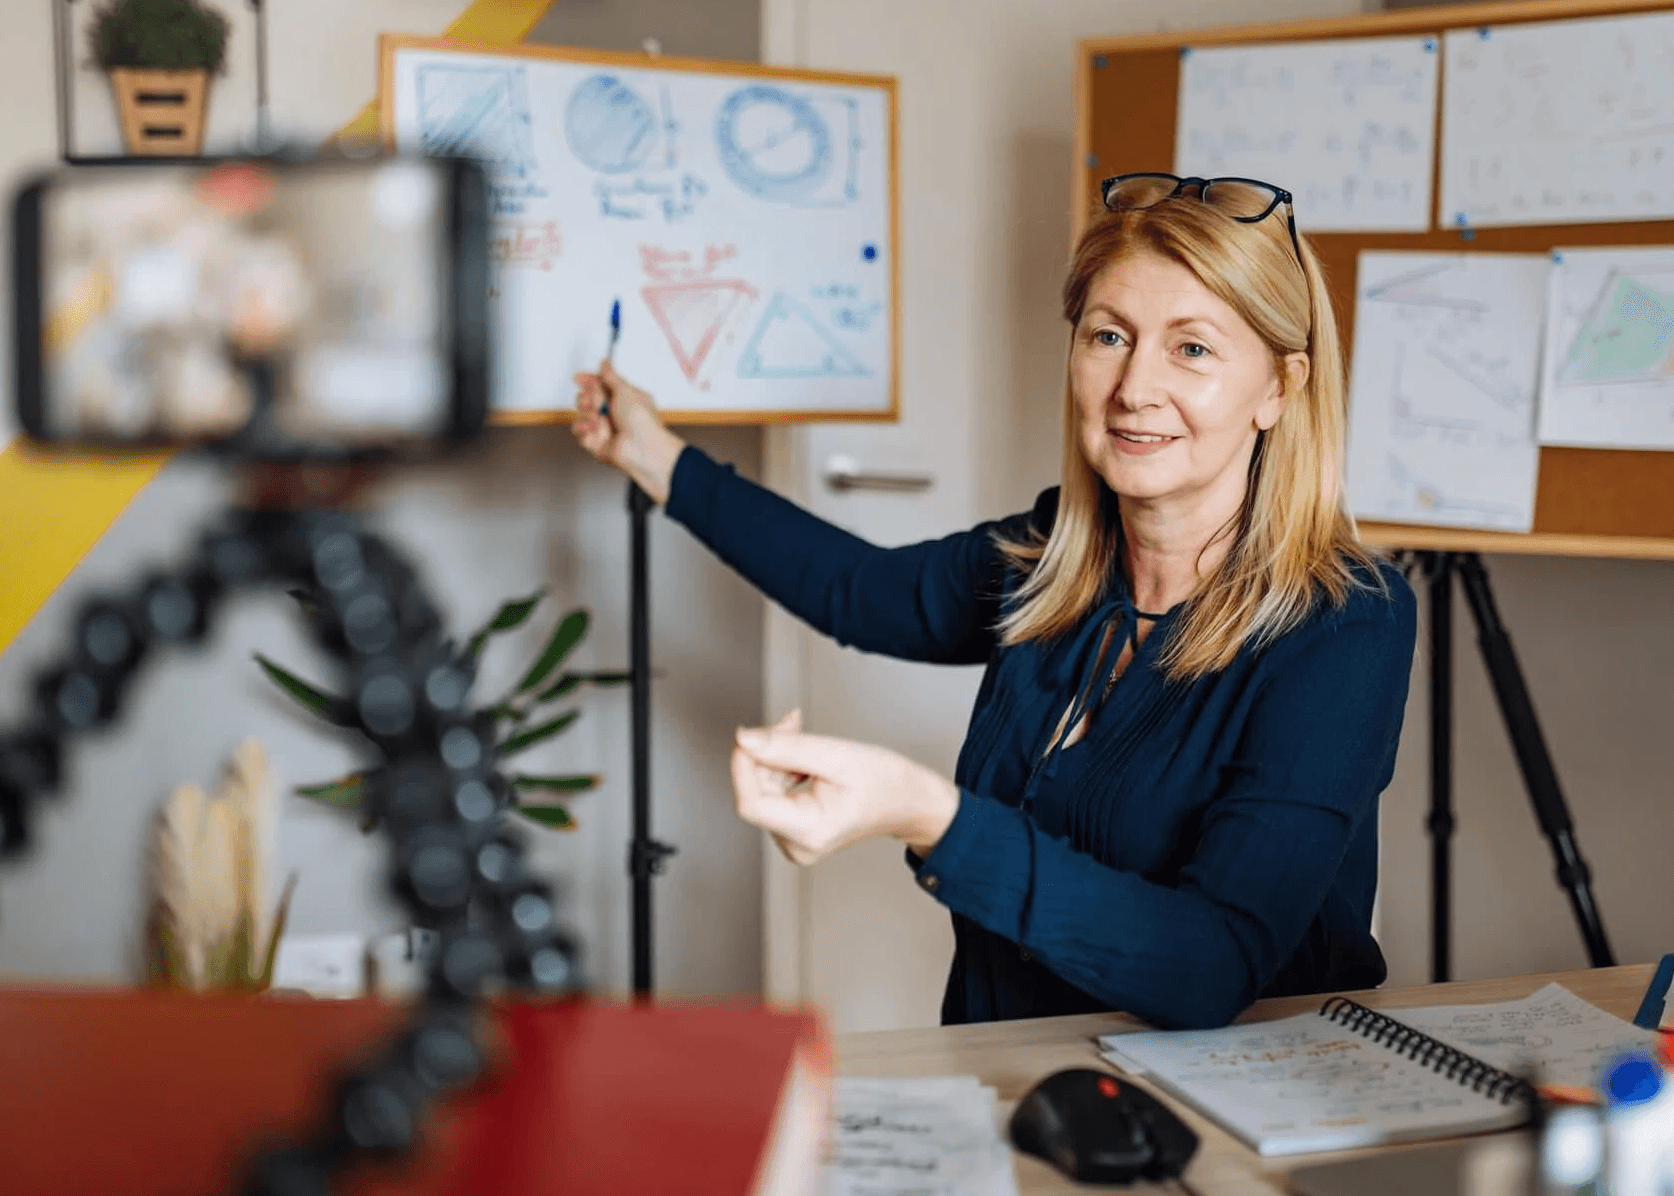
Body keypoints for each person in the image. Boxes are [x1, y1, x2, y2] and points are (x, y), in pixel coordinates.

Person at [569, 174, 1416, 1030]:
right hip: (1019, 1076)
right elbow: (856, 593)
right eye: (1108, 335)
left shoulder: (1345, 620)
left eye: (1191, 349)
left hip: (1239, 1110)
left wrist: (924, 813)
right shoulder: (1050, 558)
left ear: (1278, 386)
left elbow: (1209, 964)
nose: (1133, 387)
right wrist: (654, 456)